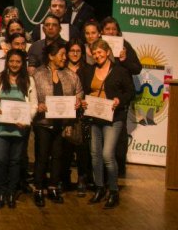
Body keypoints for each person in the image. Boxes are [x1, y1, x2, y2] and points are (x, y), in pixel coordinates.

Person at [80, 39, 134, 208]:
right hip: (94, 117)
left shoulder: (120, 71)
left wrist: (119, 100)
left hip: (113, 118)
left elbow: (130, 92)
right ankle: (99, 188)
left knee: (107, 155)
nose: (97, 56)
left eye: (100, 52)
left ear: (108, 52)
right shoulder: (89, 70)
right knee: (95, 155)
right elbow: (86, 92)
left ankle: (113, 191)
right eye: (94, 53)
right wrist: (83, 102)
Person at [32, 40, 84, 206]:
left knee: (58, 157)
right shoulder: (37, 74)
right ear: (51, 56)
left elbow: (79, 93)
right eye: (61, 54)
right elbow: (30, 96)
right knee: (42, 157)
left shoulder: (71, 75)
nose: (65, 57)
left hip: (62, 124)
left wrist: (78, 101)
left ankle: (53, 187)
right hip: (43, 123)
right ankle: (38, 189)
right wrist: (37, 105)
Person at [0, 49, 37, 209]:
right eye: (11, 61)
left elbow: (34, 104)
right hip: (0, 127)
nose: (14, 64)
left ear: (23, 64)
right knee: (1, 160)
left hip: (19, 128)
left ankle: (11, 192)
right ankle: (1, 191)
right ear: (7, 62)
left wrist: (27, 119)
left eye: (18, 61)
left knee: (15, 161)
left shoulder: (29, 80)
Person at [64, 39, 94, 195]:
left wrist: (84, 101)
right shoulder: (61, 68)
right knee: (65, 148)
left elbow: (92, 90)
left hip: (83, 113)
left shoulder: (88, 69)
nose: (75, 54)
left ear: (82, 53)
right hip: (63, 113)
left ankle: (82, 178)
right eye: (72, 51)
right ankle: (64, 178)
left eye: (78, 51)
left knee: (82, 148)